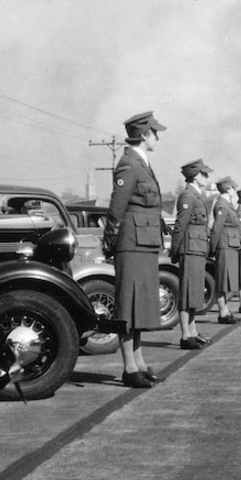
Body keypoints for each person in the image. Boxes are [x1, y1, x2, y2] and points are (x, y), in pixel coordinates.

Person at [103, 111, 166, 388]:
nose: (157, 136)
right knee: (128, 304)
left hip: (144, 242)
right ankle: (129, 368)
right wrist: (110, 241)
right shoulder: (129, 164)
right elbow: (116, 208)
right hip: (130, 243)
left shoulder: (142, 162)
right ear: (143, 134)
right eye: (154, 132)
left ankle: (139, 363)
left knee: (140, 305)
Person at [169, 159, 212, 350]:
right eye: (204, 174)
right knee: (188, 291)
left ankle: (193, 331)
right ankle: (186, 335)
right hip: (190, 247)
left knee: (194, 291)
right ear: (195, 175)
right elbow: (180, 225)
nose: (207, 177)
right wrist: (176, 249)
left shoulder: (197, 195)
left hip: (198, 247)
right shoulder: (188, 196)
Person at [209, 176, 240, 324]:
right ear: (228, 189)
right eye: (233, 188)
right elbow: (216, 229)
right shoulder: (222, 205)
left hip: (230, 246)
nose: (235, 190)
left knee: (227, 281)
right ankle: (223, 312)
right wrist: (212, 249)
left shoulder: (227, 204)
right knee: (222, 281)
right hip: (224, 246)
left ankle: (225, 311)